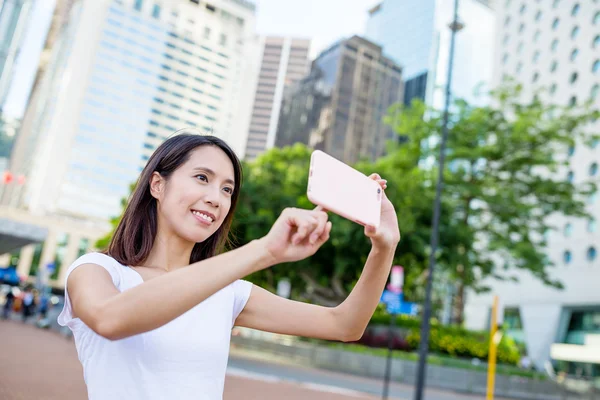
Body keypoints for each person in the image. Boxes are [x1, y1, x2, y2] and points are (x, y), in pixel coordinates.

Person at [57, 133, 400, 400]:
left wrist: (385, 246)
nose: (216, 198)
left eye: (227, 189)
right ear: (158, 185)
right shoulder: (97, 270)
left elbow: (345, 324)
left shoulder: (228, 293)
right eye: (202, 178)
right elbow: (109, 318)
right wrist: (264, 250)